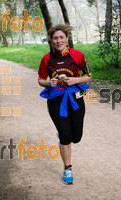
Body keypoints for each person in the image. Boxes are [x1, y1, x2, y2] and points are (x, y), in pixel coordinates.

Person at [38, 24, 92, 185]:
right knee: (66, 137)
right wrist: (49, 83)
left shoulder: (78, 55)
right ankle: (67, 168)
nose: (58, 40)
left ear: (67, 38)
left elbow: (88, 76)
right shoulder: (47, 59)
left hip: (75, 99)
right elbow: (40, 79)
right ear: (51, 40)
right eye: (55, 38)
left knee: (76, 137)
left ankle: (64, 136)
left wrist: (76, 80)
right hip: (55, 100)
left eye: (61, 37)